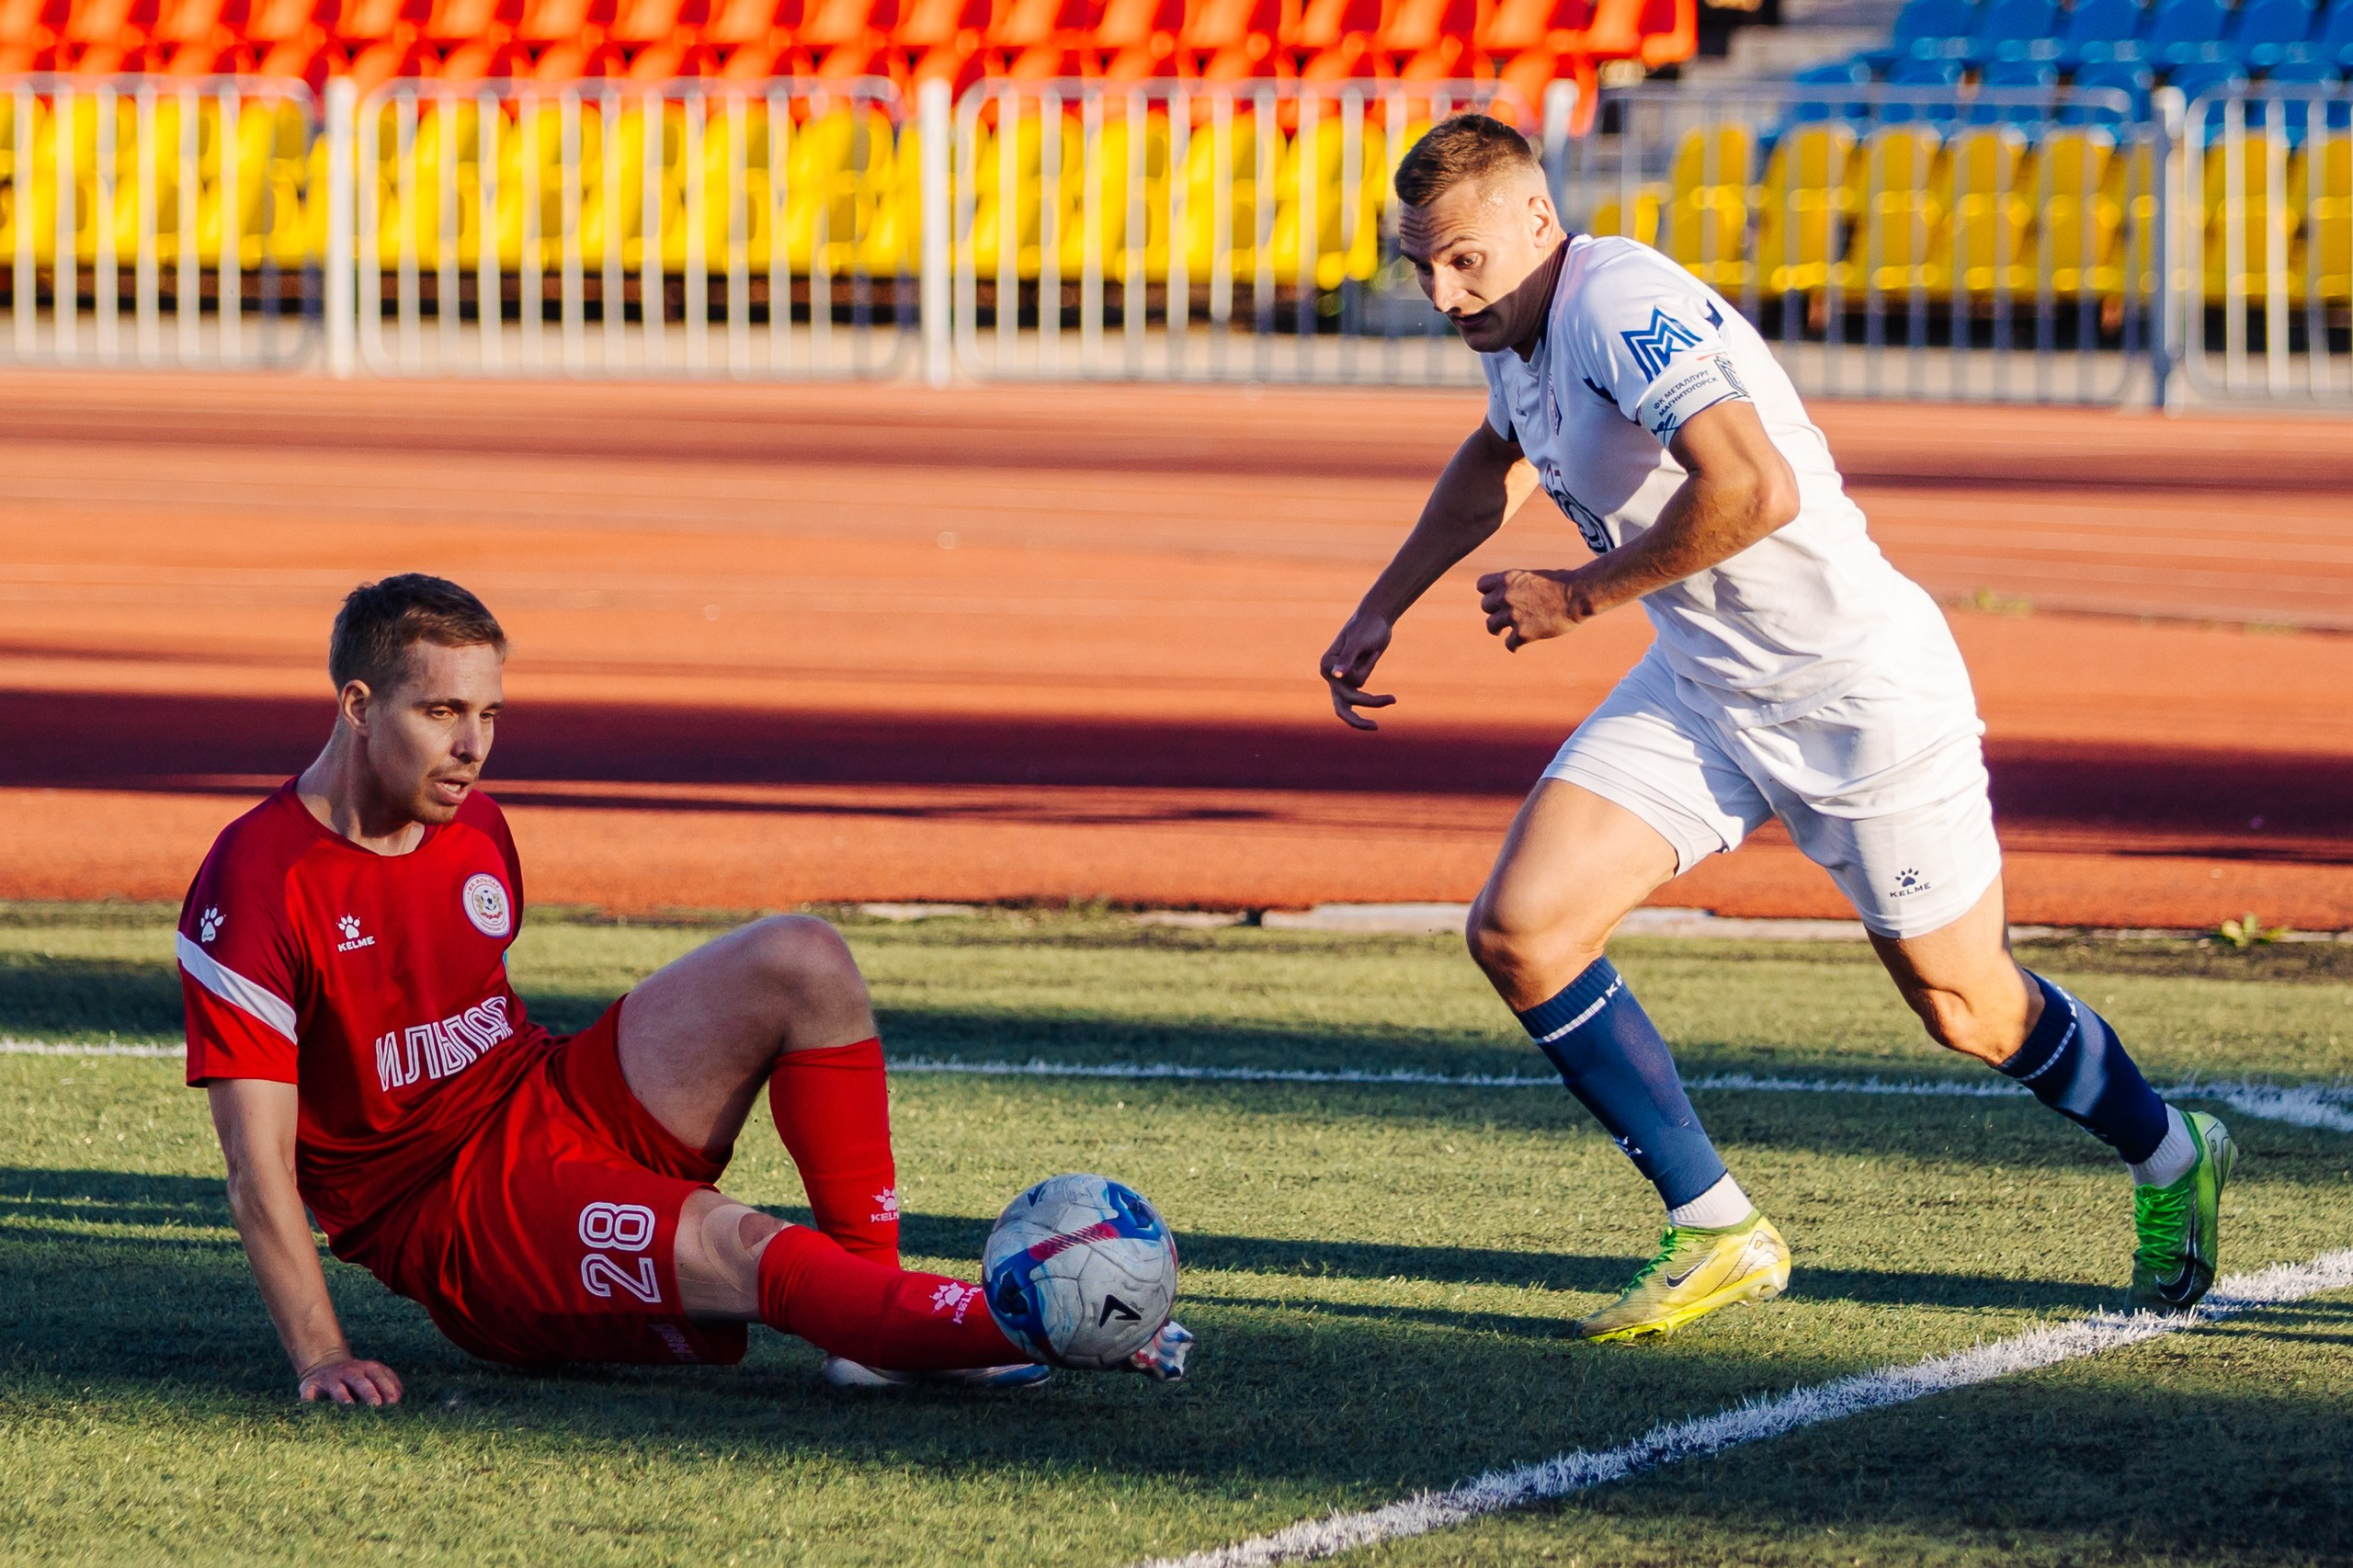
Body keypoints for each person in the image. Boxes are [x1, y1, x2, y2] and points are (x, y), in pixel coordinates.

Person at [1319, 115, 2233, 1343]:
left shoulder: (1617, 301)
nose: (1443, 291)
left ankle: (2173, 1154)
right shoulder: (1514, 326)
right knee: (1522, 930)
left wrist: (1580, 596)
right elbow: (1494, 461)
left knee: (1967, 1007)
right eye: (1422, 265)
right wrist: (1382, 602)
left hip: (1858, 693)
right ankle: (1716, 1225)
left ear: (1540, 221)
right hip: (1703, 687)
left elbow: (1757, 489)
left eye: (1465, 260)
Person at [179, 573, 1191, 1403]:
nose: (473, 746)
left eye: (487, 712)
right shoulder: (256, 884)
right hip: (454, 1214)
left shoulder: (473, 824)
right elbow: (256, 1167)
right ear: (357, 706)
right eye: (441, 710)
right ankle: (1011, 1317)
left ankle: (870, 1328)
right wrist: (321, 1354)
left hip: (541, 1092)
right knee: (750, 1246)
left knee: (800, 955)